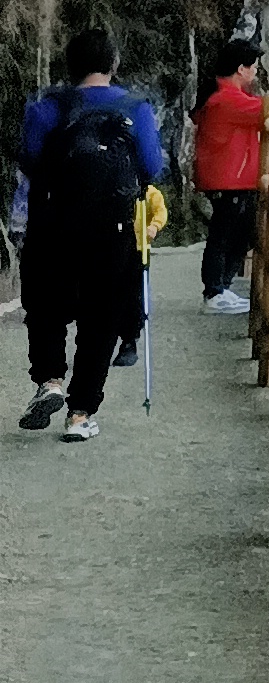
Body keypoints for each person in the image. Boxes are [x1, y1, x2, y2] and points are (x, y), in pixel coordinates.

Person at [19, 26, 168, 442]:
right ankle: (80, 414)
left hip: (51, 224)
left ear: (70, 64)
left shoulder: (46, 108)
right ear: (113, 64)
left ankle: (49, 379)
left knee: (46, 307)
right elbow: (152, 168)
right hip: (112, 230)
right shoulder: (135, 108)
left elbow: (29, 159)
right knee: (100, 318)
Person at [191, 39, 268, 315]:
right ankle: (214, 290)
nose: (255, 73)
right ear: (241, 69)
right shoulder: (225, 99)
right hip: (228, 178)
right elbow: (265, 110)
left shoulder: (223, 96)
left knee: (238, 233)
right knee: (224, 235)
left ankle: (221, 287)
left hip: (232, 177)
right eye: (253, 67)